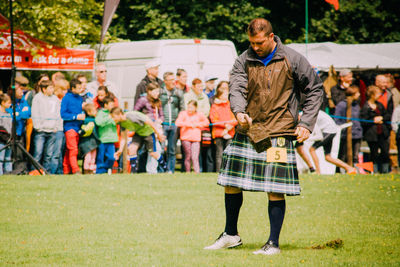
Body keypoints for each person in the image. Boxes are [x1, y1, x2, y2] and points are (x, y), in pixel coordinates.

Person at [204, 18, 323, 255]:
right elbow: (236, 87)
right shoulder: (243, 59)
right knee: (230, 181)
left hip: (279, 129)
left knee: (274, 186)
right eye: (251, 42)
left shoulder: (292, 58)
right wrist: (238, 112)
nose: (255, 47)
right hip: (249, 128)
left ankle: (273, 243)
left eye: (259, 42)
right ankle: (230, 235)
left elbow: (315, 88)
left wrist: (307, 123)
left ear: (271, 36)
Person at [111, 108, 166, 173]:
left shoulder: (131, 116)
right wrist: (120, 150)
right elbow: (123, 138)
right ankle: (133, 172)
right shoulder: (121, 123)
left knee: (153, 153)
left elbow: (149, 121)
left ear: (120, 114)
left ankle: (165, 168)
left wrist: (158, 134)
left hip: (148, 132)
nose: (113, 119)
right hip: (138, 133)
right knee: (131, 149)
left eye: (113, 117)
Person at [31, 80, 63, 174]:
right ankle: (35, 171)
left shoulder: (55, 99)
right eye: (50, 88)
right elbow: (35, 112)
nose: (52, 90)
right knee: (38, 153)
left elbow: (58, 113)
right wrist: (38, 126)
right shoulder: (37, 98)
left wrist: (56, 126)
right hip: (40, 131)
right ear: (44, 89)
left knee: (49, 154)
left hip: (52, 130)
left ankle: (46, 172)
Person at [360, 85, 392, 173]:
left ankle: (385, 171)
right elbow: (363, 121)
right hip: (372, 135)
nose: (380, 95)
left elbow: (387, 115)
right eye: (378, 93)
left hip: (382, 133)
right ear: (372, 94)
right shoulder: (365, 107)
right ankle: (374, 171)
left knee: (385, 152)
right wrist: (373, 121)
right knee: (374, 153)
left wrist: (381, 118)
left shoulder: (380, 105)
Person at [134, 82, 165, 173]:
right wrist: (145, 120)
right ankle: (146, 170)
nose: (157, 94)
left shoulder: (158, 101)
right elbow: (135, 113)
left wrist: (159, 120)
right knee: (147, 150)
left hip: (155, 129)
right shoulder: (143, 100)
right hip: (145, 129)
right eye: (155, 92)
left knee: (156, 150)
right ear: (149, 91)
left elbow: (161, 115)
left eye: (158, 92)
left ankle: (152, 170)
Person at [184, 78, 213, 172]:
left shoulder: (204, 96)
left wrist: (198, 117)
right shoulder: (187, 96)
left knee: (201, 149)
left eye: (202, 86)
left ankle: (200, 169)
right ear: (193, 86)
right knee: (188, 152)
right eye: (199, 86)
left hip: (201, 125)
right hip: (190, 127)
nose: (201, 88)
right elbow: (186, 109)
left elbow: (206, 111)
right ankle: (187, 170)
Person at [209, 81, 237, 172]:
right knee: (219, 153)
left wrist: (230, 126)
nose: (226, 96)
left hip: (230, 132)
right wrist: (225, 126)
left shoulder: (230, 105)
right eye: (224, 94)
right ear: (219, 95)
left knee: (229, 153)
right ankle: (219, 171)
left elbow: (235, 118)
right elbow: (214, 120)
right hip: (218, 133)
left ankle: (228, 171)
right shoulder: (215, 106)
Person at [160, 72, 185, 173]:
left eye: (173, 79)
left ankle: (171, 170)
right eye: (170, 80)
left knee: (172, 149)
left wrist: (179, 120)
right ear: (165, 81)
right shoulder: (160, 92)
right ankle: (161, 170)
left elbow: (182, 108)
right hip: (163, 124)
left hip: (174, 125)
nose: (173, 82)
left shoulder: (178, 92)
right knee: (161, 149)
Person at [175, 100, 210, 173]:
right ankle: (188, 171)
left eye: (191, 107)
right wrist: (188, 124)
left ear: (195, 108)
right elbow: (178, 122)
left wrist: (197, 124)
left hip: (196, 139)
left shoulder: (199, 114)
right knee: (188, 156)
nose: (189, 109)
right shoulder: (183, 114)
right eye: (188, 107)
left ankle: (197, 172)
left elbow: (206, 122)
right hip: (185, 138)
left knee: (195, 156)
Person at [61, 78, 85, 174]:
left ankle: (66, 170)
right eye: (79, 88)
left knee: (69, 150)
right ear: (72, 88)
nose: (81, 90)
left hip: (78, 128)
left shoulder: (80, 98)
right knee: (73, 149)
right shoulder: (66, 98)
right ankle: (76, 170)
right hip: (69, 127)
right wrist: (75, 117)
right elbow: (63, 114)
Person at [334, 85, 363, 166]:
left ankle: (355, 170)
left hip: (357, 134)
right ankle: (342, 170)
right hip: (345, 135)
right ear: (352, 94)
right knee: (343, 155)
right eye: (357, 93)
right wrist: (345, 126)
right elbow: (337, 120)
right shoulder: (341, 105)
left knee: (355, 155)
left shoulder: (356, 105)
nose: (359, 95)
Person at [95, 97, 118, 174]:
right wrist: (108, 118)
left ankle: (106, 168)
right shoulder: (101, 113)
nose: (113, 106)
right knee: (100, 157)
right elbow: (98, 122)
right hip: (103, 139)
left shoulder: (113, 113)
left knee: (111, 157)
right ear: (105, 105)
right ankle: (100, 171)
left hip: (111, 140)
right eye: (111, 105)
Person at [79, 103, 99, 174]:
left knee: (92, 156)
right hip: (88, 141)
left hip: (92, 141)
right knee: (89, 156)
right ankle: (87, 169)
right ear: (89, 112)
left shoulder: (88, 120)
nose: (96, 112)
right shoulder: (89, 121)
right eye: (94, 111)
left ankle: (90, 169)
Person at [0, 93, 12, 175]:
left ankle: (9, 174)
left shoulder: (8, 113)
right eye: (8, 102)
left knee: (8, 158)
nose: (10, 104)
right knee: (1, 158)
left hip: (9, 140)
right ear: (3, 103)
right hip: (1, 140)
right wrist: (5, 138)